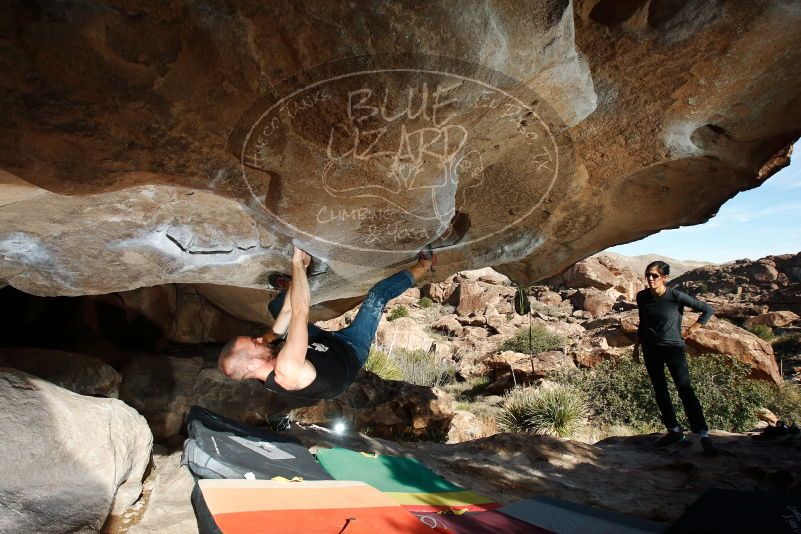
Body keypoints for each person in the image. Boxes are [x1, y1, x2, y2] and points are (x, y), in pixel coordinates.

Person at [218, 245, 433, 412]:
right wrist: (299, 263)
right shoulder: (287, 370)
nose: (258, 340)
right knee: (377, 296)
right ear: (254, 363)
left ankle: (290, 286)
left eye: (253, 339)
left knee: (276, 306)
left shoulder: (258, 360)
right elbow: (300, 310)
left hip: (322, 346)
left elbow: (284, 319)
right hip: (349, 350)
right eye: (254, 343)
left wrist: (297, 282)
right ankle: (426, 264)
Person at [632, 260, 717, 453]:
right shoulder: (642, 297)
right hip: (650, 349)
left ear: (664, 278)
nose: (650, 279)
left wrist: (691, 330)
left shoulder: (675, 296)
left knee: (684, 388)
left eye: (655, 276)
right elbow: (642, 323)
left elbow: (708, 310)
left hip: (673, 348)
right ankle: (674, 430)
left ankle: (702, 433)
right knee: (660, 390)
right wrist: (636, 347)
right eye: (648, 275)